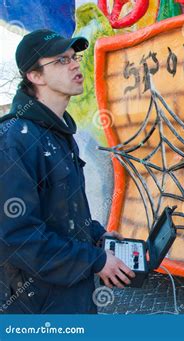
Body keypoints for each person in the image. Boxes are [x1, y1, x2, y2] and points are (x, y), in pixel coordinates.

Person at [0, 29, 135, 314]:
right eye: (61, 60)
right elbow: (18, 236)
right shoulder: (14, 139)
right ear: (35, 76)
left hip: (74, 297)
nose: (75, 64)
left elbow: (61, 211)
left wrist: (97, 236)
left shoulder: (57, 132)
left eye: (74, 57)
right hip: (36, 306)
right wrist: (95, 261)